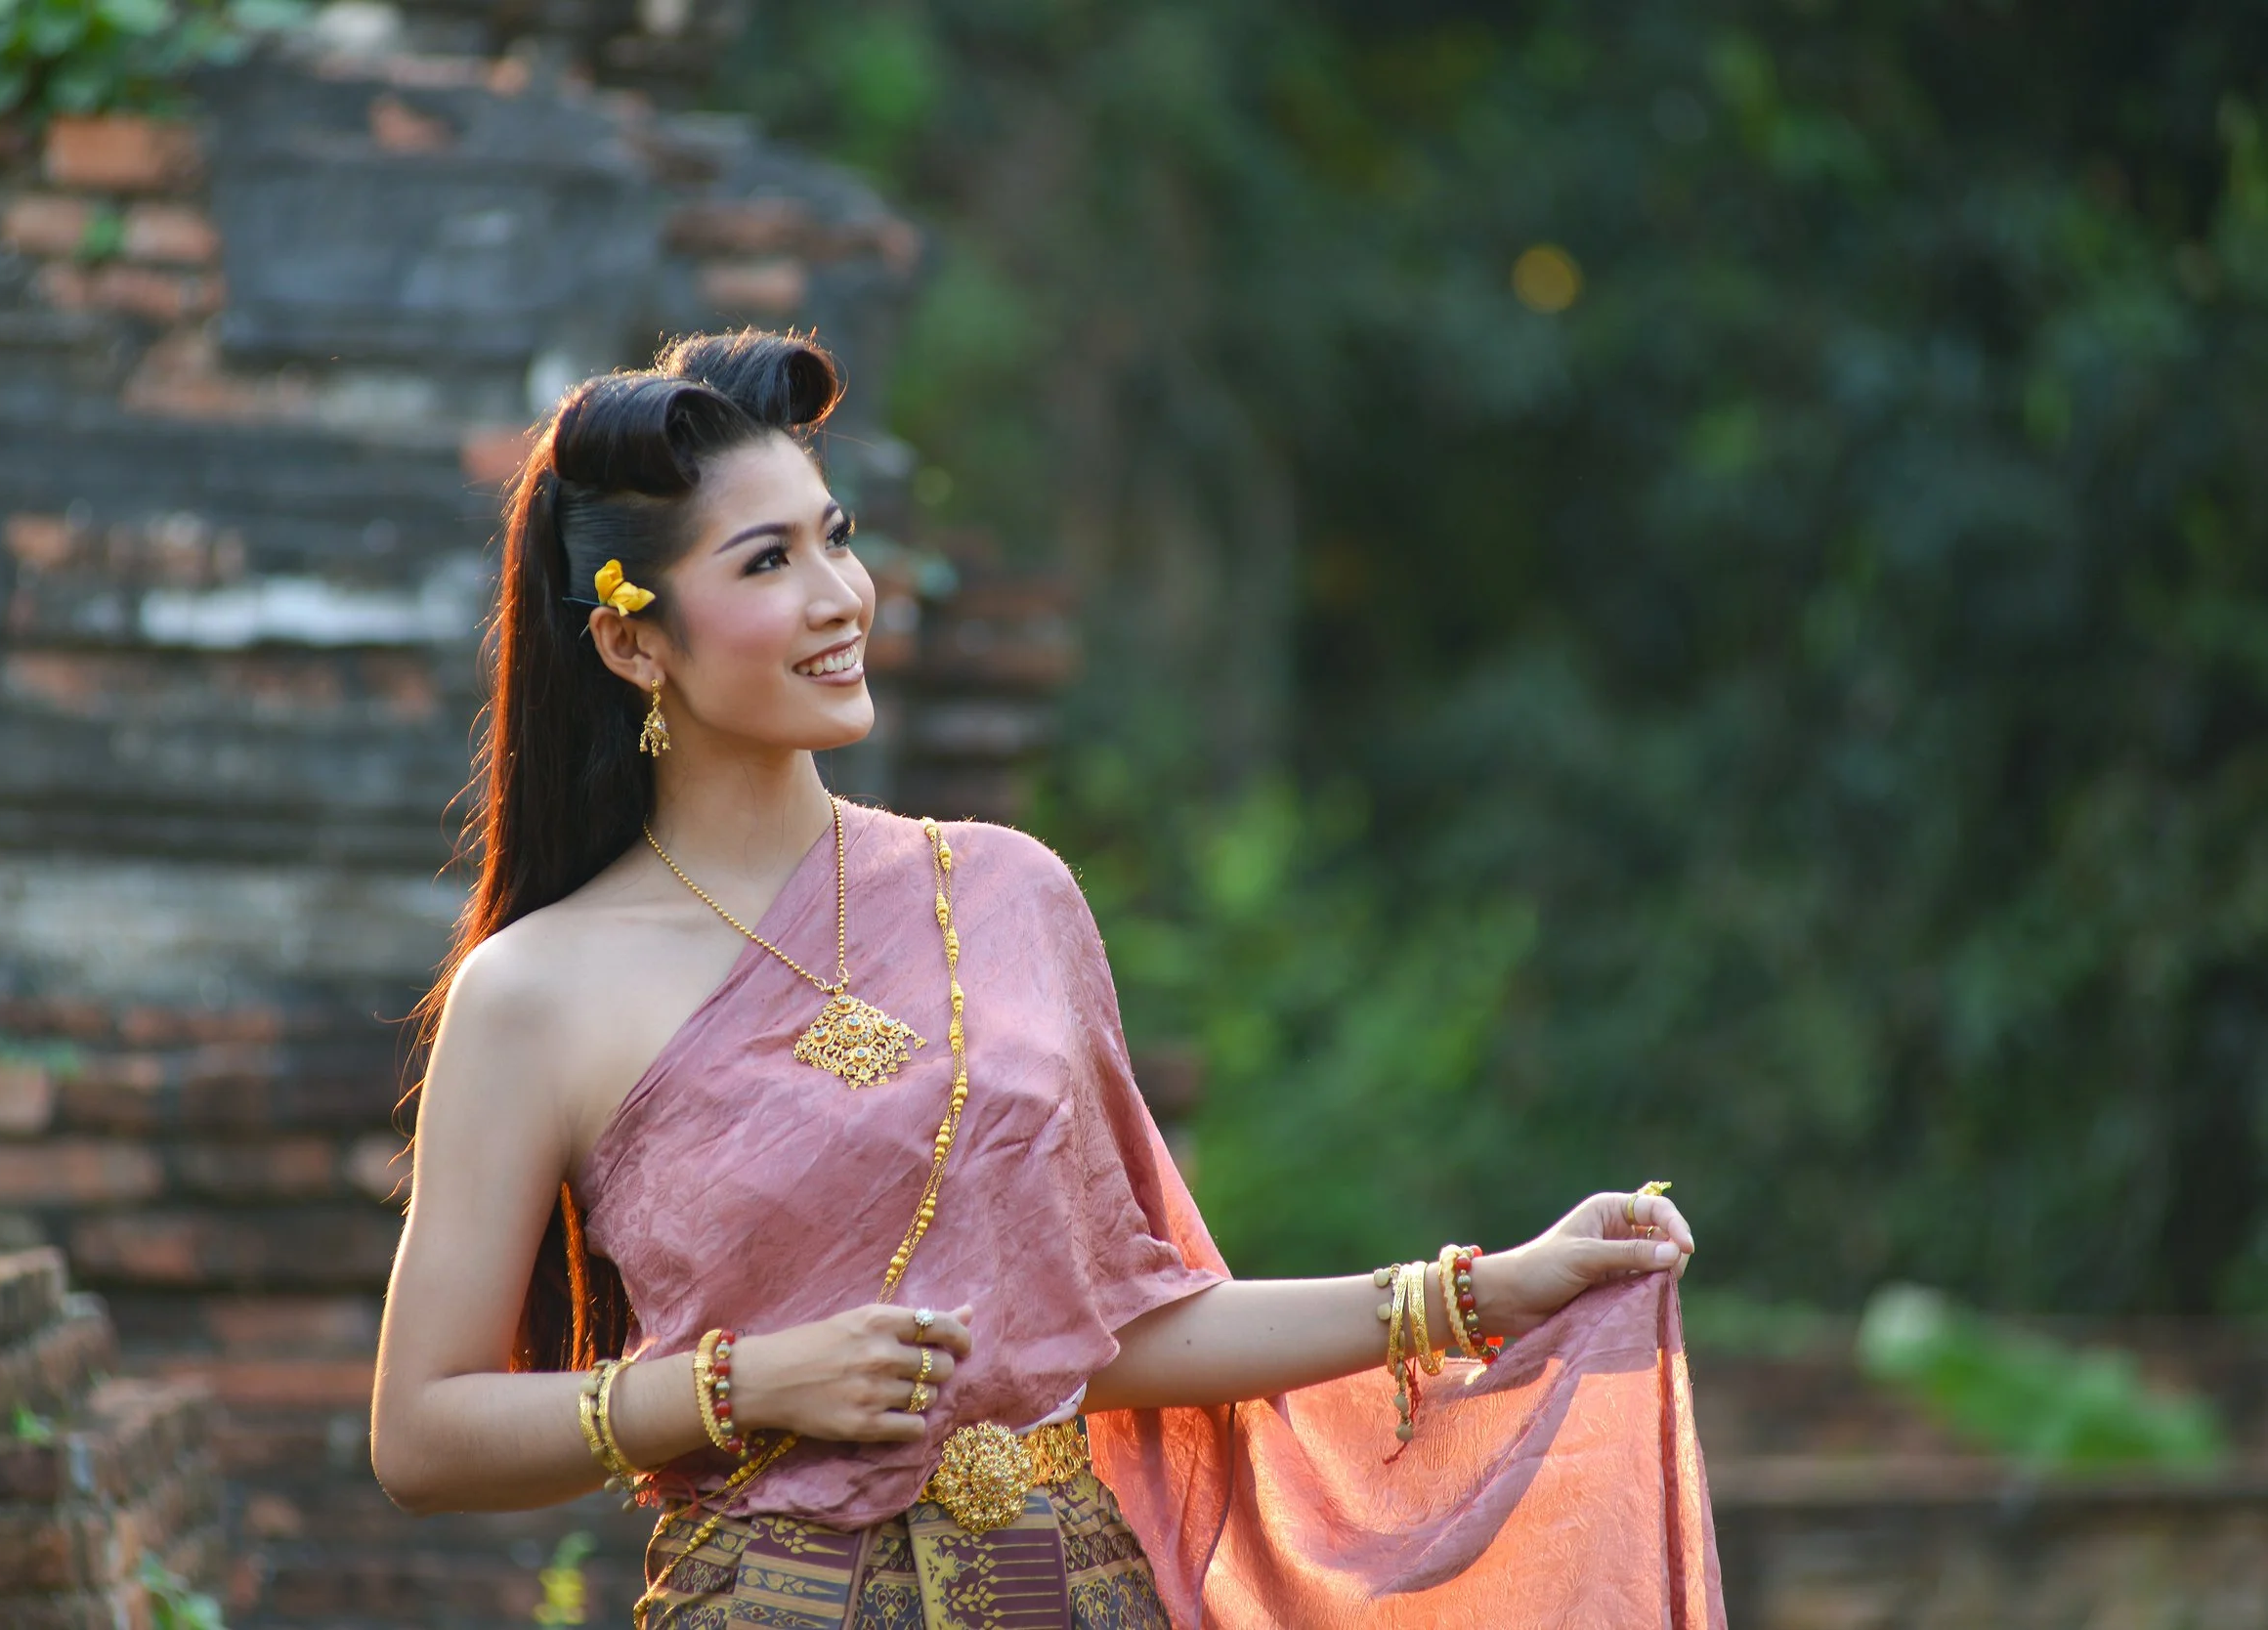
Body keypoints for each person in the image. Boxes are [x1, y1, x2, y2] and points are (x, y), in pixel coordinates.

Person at [368, 329, 1726, 1629]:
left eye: (836, 537)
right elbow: (423, 1432)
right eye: (767, 561)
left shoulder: (1002, 893)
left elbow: (1109, 1328)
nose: (840, 596)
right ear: (632, 643)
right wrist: (741, 1385)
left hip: (1069, 1596)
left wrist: (1487, 1290)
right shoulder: (535, 992)